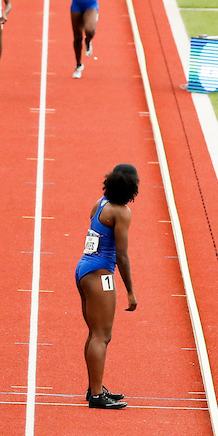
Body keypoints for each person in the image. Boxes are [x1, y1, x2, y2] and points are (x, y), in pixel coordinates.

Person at [75, 164, 138, 409]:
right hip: (101, 274)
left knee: (94, 332)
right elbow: (121, 255)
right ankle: (98, 395)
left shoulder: (100, 203)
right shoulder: (122, 212)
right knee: (102, 335)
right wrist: (130, 291)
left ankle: (95, 388)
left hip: (84, 268)